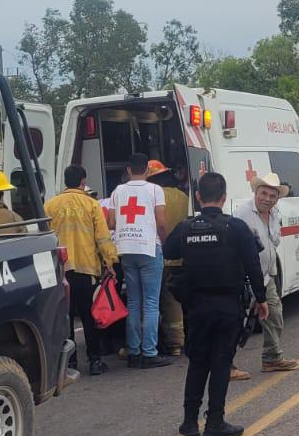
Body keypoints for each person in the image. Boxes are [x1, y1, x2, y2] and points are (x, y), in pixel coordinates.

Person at [165, 171, 268, 436]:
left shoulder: (186, 228)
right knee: (221, 363)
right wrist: (262, 298)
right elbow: (253, 265)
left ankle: (189, 422)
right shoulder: (236, 228)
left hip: (195, 307)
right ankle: (214, 423)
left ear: (198, 197)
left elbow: (168, 251)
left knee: (197, 362)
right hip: (227, 306)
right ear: (223, 198)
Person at [45, 164, 119, 376]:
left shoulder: (50, 205)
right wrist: (110, 262)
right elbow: (103, 238)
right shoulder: (91, 205)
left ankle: (70, 362)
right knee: (89, 315)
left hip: (61, 270)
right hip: (87, 269)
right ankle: (95, 361)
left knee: (66, 317)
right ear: (83, 182)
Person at [106, 152, 171, 368]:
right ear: (148, 170)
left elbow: (112, 222)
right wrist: (165, 242)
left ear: (128, 170)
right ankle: (149, 352)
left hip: (125, 249)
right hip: (149, 248)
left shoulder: (118, 191)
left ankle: (133, 352)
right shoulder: (155, 190)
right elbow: (161, 223)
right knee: (151, 303)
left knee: (133, 302)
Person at [234, 172, 299, 375]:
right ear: (256, 192)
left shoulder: (275, 213)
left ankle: (272, 358)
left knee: (274, 314)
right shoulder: (242, 214)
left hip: (266, 275)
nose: (267, 199)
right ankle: (225, 363)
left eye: (272, 196)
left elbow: (272, 242)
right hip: (244, 277)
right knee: (237, 321)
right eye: (264, 194)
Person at [150, 160, 190, 356]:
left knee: (158, 300)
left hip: (160, 253)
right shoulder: (183, 197)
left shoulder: (154, 198)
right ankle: (179, 339)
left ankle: (172, 342)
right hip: (182, 255)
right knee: (177, 298)